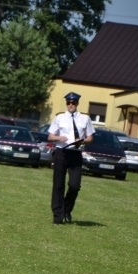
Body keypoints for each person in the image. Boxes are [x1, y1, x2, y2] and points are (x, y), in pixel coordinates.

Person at [47, 92, 94, 224]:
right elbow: (50, 136)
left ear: (77, 103)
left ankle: (67, 209)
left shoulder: (85, 118)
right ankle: (58, 215)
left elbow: (90, 137)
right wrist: (58, 138)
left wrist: (83, 141)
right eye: (68, 102)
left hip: (75, 153)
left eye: (73, 103)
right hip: (61, 152)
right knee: (58, 185)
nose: (71, 105)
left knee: (75, 185)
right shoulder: (59, 117)